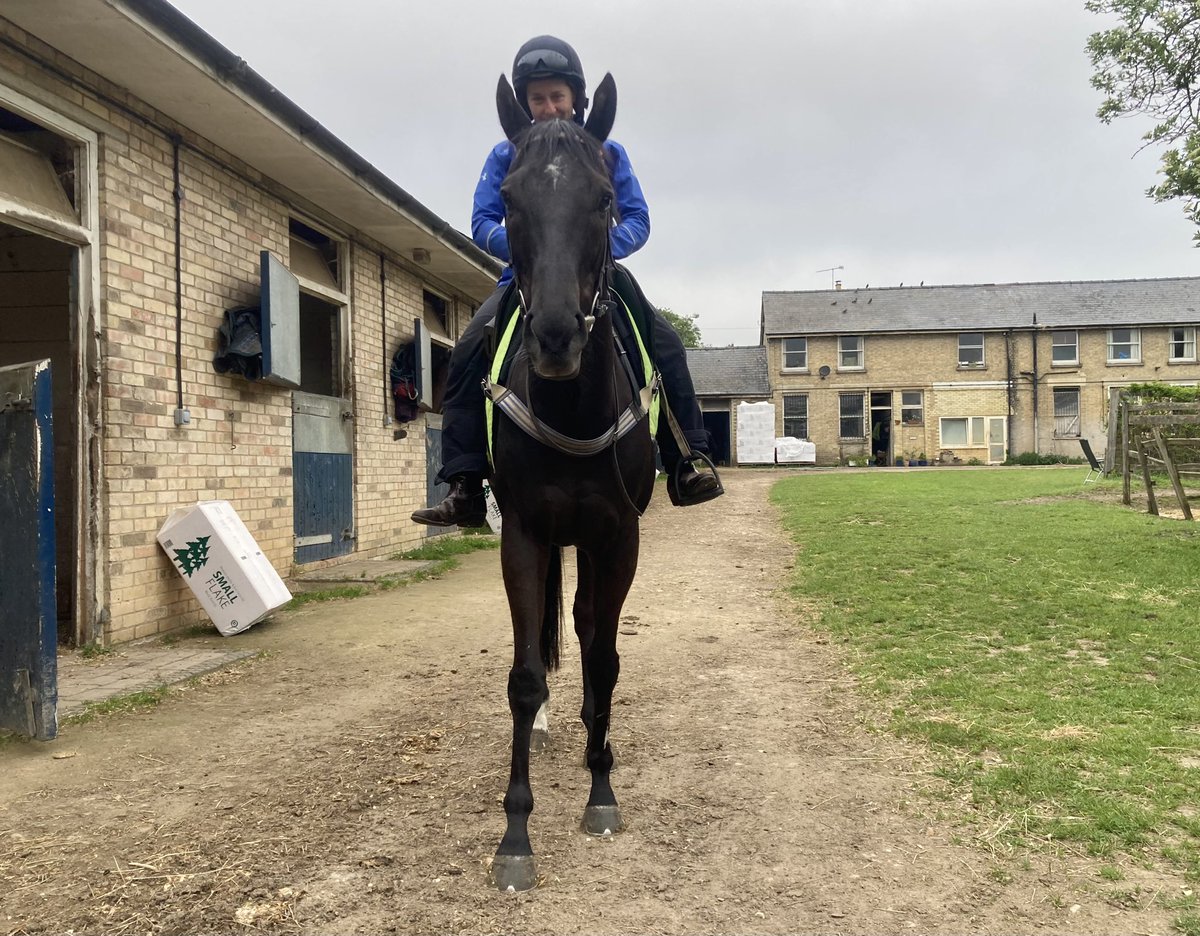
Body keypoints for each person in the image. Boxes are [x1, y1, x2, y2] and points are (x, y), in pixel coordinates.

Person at [412, 35, 722, 528]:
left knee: (664, 342)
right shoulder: (503, 155)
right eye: (537, 98)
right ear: (524, 103)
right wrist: (526, 249)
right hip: (526, 276)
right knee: (470, 349)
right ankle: (465, 482)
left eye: (557, 95)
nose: (549, 106)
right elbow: (483, 221)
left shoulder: (609, 152)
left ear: (576, 97)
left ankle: (687, 459)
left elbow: (638, 218)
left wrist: (595, 248)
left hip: (599, 274)